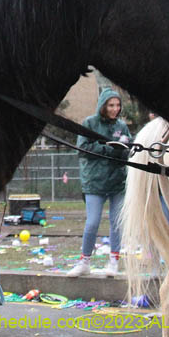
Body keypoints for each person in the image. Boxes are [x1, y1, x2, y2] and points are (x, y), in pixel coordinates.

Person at [66, 87, 131, 277]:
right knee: (92, 222)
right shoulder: (89, 123)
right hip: (94, 182)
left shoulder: (122, 126)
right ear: (103, 105)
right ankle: (84, 261)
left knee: (116, 223)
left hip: (118, 182)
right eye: (111, 105)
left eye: (118, 105)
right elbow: (83, 148)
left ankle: (114, 261)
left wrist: (126, 147)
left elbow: (128, 149)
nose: (115, 109)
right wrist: (110, 149)